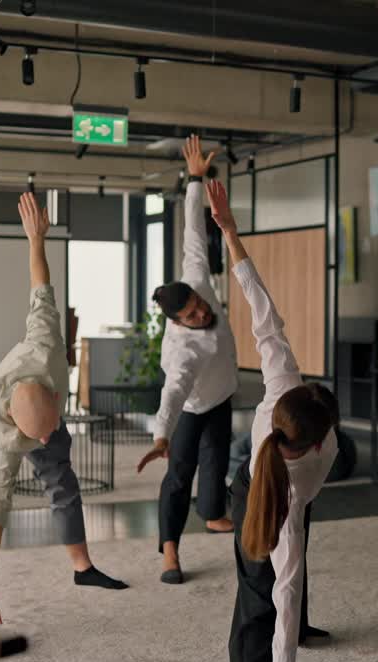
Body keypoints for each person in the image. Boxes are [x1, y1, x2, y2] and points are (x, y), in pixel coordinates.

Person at [0, 192, 127, 624]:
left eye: (48, 432)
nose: (44, 442)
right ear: (20, 431)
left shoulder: (46, 343)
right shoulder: (4, 439)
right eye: (39, 438)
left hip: (36, 410)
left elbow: (40, 286)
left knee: (63, 483)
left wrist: (36, 239)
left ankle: (83, 568)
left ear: (55, 397)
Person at [207, 179, 338, 662]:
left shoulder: (285, 382)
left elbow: (261, 307)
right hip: (255, 494)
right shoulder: (293, 489)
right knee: (259, 596)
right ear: (315, 440)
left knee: (285, 584)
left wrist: (232, 232)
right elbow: (289, 572)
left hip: (270, 481)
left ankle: (293, 638)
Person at [136, 134, 241, 585]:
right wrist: (162, 433)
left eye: (200, 305)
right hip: (191, 407)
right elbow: (174, 390)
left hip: (222, 395)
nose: (203, 312)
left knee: (217, 463)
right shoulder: (183, 350)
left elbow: (193, 233)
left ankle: (214, 513)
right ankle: (170, 552)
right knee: (180, 475)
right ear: (178, 322)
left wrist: (194, 179)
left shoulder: (197, 281)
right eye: (193, 315)